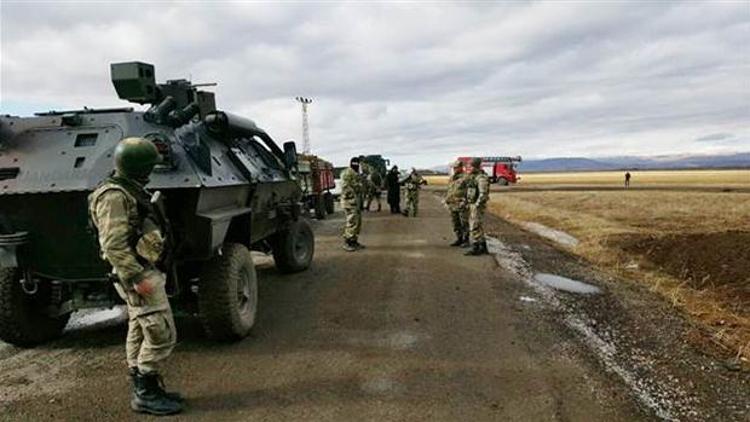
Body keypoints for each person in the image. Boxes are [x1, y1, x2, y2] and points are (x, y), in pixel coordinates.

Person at [88, 137, 183, 415]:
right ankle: (145, 391)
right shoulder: (114, 196)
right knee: (161, 332)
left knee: (140, 328)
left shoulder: (128, 189)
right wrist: (135, 277)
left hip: (140, 269)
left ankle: (147, 387)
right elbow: (113, 244)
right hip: (136, 274)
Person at [464, 157, 490, 256]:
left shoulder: (481, 178)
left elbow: (483, 194)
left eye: (470, 166)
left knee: (474, 226)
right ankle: (483, 246)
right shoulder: (473, 177)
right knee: (478, 226)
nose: (468, 168)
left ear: (475, 167)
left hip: (477, 206)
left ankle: (476, 247)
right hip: (472, 204)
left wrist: (477, 205)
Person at [340, 157, 365, 251]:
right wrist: (354, 193)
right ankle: (347, 242)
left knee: (357, 222)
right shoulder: (347, 173)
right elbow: (345, 187)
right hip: (350, 202)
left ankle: (354, 241)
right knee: (352, 222)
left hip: (355, 202)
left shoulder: (355, 173)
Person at [445, 160, 470, 247]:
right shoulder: (452, 178)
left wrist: (466, 201)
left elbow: (470, 191)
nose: (454, 169)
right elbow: (450, 190)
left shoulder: (466, 178)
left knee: (464, 223)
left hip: (461, 204)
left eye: (456, 167)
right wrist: (447, 199)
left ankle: (466, 240)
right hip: (452, 204)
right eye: (453, 167)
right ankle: (459, 238)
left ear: (460, 167)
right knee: (455, 223)